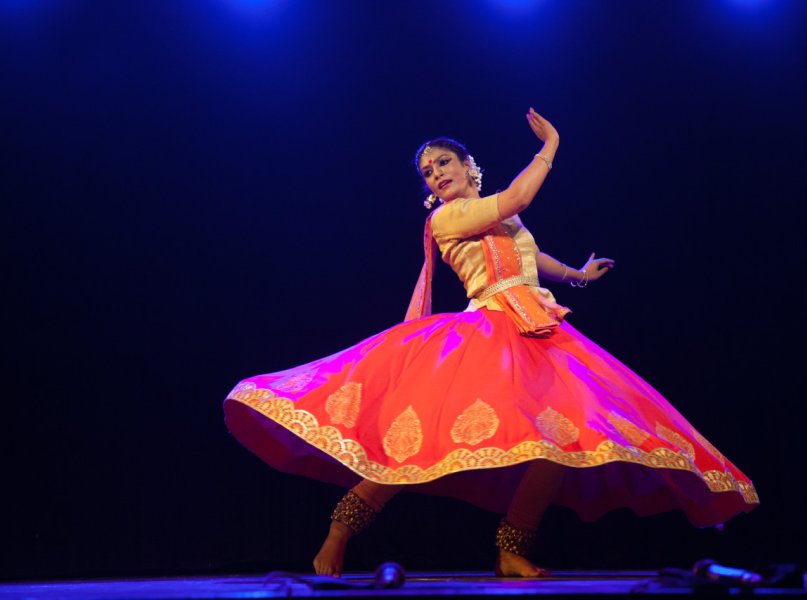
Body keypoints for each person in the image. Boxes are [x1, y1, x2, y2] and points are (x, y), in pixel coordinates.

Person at [223, 108, 759, 578]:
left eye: (442, 164)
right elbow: (520, 196)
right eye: (427, 172)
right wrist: (550, 147)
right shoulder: (446, 217)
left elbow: (526, 251)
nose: (435, 175)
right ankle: (337, 534)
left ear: (467, 164)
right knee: (413, 445)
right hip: (484, 334)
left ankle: (511, 549)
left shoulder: (493, 211)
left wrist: (575, 275)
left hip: (537, 329)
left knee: (561, 441)